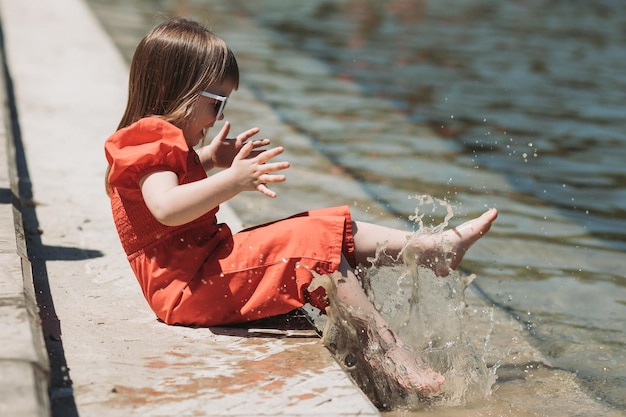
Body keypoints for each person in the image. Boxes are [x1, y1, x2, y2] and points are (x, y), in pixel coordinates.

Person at [104, 17, 497, 397]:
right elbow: (167, 208)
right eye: (217, 102)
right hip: (187, 290)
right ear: (176, 89)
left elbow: (167, 188)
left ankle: (428, 253)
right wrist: (234, 180)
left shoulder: (156, 143)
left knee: (322, 227)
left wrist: (208, 158)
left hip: (199, 272)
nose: (220, 116)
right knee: (310, 246)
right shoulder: (148, 140)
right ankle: (392, 353)